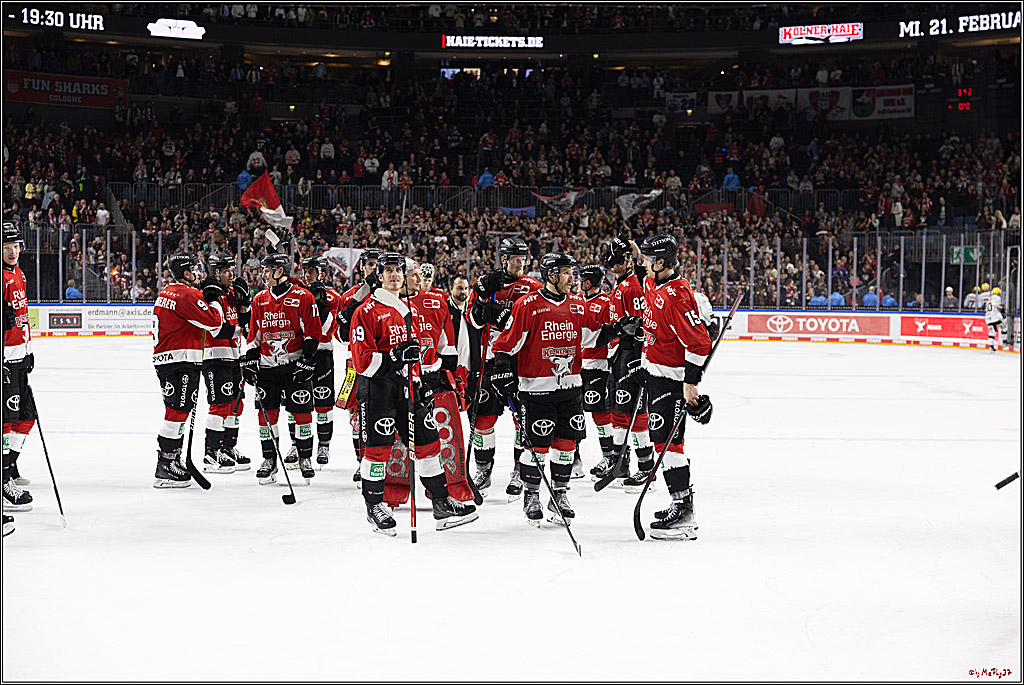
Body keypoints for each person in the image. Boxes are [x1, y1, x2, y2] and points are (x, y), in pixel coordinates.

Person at [490, 252, 633, 526]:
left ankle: (560, 493)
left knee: (566, 445)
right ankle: (531, 495)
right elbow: (507, 344)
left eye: (572, 272)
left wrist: (617, 329)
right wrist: (502, 368)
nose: (572, 278)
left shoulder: (578, 305)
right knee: (538, 447)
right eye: (567, 273)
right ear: (551, 275)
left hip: (571, 388)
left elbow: (592, 337)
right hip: (536, 390)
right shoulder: (528, 305)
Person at [348, 252, 478, 535]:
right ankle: (374, 506)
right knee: (377, 451)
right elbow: (362, 361)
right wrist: (394, 357)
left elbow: (420, 354)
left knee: (429, 444)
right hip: (378, 389)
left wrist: (422, 377)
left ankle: (442, 505)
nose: (395, 275)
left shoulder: (411, 310)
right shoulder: (365, 311)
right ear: (379, 276)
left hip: (411, 387)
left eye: (399, 271)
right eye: (389, 271)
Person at [630, 233, 713, 540]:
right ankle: (681, 504)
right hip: (655, 373)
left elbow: (700, 342)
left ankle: (684, 512)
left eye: (647, 260)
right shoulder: (653, 282)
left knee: (668, 443)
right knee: (663, 442)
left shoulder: (677, 295)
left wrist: (690, 384)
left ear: (661, 262)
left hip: (671, 378)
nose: (643, 265)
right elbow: (643, 274)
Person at [465, 237, 542, 497]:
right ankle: (483, 470)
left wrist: (501, 314)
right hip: (490, 359)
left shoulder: (533, 287)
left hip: (520, 362)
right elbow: (472, 321)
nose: (520, 264)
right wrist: (481, 303)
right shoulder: (486, 283)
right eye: (515, 259)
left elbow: (536, 323)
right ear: (504, 260)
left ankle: (520, 471)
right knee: (482, 419)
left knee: (522, 419)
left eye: (524, 259)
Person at [241, 251, 320, 485]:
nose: (262, 274)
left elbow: (312, 332)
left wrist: (307, 360)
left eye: (267, 270)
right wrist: (250, 360)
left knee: (302, 414)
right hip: (267, 367)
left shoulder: (303, 297)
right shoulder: (259, 299)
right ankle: (269, 460)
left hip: (294, 365)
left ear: (279, 272)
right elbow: (254, 336)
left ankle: (304, 457)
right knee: (266, 416)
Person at [151, 252, 226, 488]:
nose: (199, 273)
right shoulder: (186, 294)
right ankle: (166, 465)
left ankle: (172, 459)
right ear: (186, 273)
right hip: (180, 360)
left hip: (170, 359)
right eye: (195, 269)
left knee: (177, 411)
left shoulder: (167, 292)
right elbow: (214, 322)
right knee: (177, 412)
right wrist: (213, 297)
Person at [599, 236, 652, 490]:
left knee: (635, 411)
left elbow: (642, 324)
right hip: (619, 352)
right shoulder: (620, 284)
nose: (612, 267)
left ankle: (646, 468)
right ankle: (618, 462)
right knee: (619, 410)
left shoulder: (632, 286)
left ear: (627, 261)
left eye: (616, 262)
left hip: (630, 354)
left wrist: (638, 359)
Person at [282, 256, 342, 469]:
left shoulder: (333, 296)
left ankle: (323, 445)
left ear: (323, 274)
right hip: (299, 354)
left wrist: (321, 305)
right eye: (305, 270)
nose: (307, 274)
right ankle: (296, 444)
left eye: (312, 271)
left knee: (324, 402)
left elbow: (325, 329)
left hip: (323, 353)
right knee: (295, 403)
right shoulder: (298, 293)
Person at [200, 253, 252, 474]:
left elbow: (246, 326)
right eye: (226, 271)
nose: (231, 275)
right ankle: (211, 452)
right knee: (220, 405)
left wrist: (245, 305)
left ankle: (229, 447)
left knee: (235, 405)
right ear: (215, 273)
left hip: (234, 356)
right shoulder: (210, 294)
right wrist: (242, 329)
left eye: (232, 269)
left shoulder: (231, 293)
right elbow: (217, 326)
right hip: (214, 357)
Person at [335, 247, 382, 482]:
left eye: (377, 264)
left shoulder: (389, 294)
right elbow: (342, 336)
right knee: (357, 415)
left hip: (385, 364)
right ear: (362, 267)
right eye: (370, 264)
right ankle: (361, 461)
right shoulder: (351, 295)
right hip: (356, 364)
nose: (373, 269)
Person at [3, 222, 37, 512]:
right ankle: (3, 483)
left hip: (19, 356)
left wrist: (27, 350)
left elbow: (22, 316)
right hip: (3, 359)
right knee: (4, 420)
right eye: (6, 247)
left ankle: (10, 465)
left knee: (26, 416)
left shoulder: (20, 274)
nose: (12, 251)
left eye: (15, 246)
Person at [576, 263, 615, 480]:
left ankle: (609, 455)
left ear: (588, 282)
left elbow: (611, 335)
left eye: (581, 278)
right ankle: (574, 457)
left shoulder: (605, 303)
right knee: (573, 413)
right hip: (574, 367)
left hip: (598, 367)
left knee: (600, 414)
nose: (578, 282)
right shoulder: (576, 302)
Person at [985, 286, 1007, 351]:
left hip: (988, 317)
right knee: (1004, 326)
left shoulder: (988, 299)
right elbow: (997, 306)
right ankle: (1004, 342)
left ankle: (991, 346)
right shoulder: (997, 298)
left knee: (992, 332)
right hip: (995, 316)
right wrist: (1002, 308)